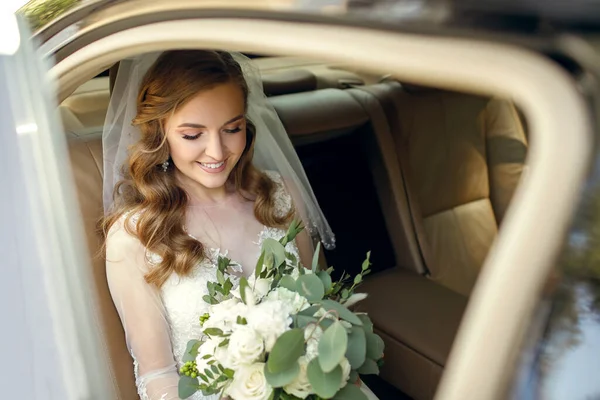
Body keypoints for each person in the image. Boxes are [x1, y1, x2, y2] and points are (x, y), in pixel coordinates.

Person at [101, 50, 376, 400]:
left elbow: (322, 309)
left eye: (232, 129)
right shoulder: (134, 236)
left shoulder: (279, 194)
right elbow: (158, 376)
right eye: (192, 135)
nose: (216, 151)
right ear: (160, 134)